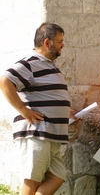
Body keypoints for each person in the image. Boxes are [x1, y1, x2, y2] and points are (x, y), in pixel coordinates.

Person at [0, 23, 76, 195]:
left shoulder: (50, 65)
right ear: (47, 42)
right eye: (59, 41)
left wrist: (65, 110)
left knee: (58, 176)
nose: (62, 44)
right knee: (32, 181)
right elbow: (4, 81)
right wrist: (24, 110)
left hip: (50, 134)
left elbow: (47, 96)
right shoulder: (30, 63)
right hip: (37, 132)